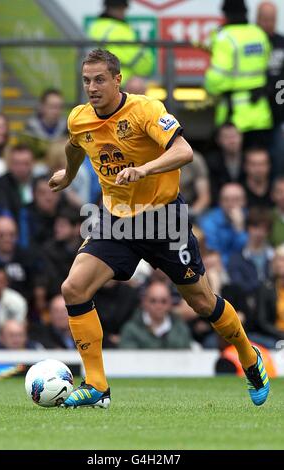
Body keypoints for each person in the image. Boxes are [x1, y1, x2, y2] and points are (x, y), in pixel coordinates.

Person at [48, 49, 270, 408]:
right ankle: (97, 386)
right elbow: (76, 146)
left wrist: (145, 169)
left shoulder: (145, 110)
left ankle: (249, 356)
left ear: (117, 79)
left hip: (163, 219)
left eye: (100, 79)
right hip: (116, 220)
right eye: (87, 80)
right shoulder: (80, 119)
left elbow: (184, 151)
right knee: (73, 288)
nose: (92, 87)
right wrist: (69, 174)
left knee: (201, 301)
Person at [205, 0, 272, 148]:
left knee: (234, 165)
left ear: (225, 14)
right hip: (260, 112)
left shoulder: (225, 37)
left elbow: (217, 78)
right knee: (257, 161)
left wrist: (208, 87)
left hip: (234, 117)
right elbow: (268, 65)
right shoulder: (259, 33)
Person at [87, 0, 154, 87]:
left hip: (98, 80)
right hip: (121, 82)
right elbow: (143, 63)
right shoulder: (121, 29)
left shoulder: (95, 27)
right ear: (120, 8)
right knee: (137, 85)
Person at [119, 281, 192, 349]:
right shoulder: (130, 329)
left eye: (163, 301)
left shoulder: (180, 329)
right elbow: (128, 359)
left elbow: (186, 357)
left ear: (170, 303)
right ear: (144, 302)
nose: (158, 306)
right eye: (153, 301)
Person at [257, 1, 284, 175]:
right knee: (254, 160)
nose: (268, 23)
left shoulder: (282, 42)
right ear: (257, 18)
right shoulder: (251, 42)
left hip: (278, 114)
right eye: (264, 18)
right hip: (254, 115)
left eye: (272, 19)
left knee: (278, 158)